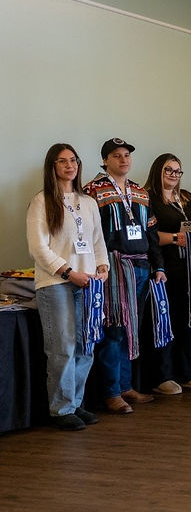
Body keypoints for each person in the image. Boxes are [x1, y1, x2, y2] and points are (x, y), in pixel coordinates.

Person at [27, 143, 109, 430]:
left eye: (73, 160)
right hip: (56, 283)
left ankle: (75, 403)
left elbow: (98, 241)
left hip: (88, 284)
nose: (69, 165)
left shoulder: (87, 202)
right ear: (53, 167)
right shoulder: (42, 201)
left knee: (86, 344)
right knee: (62, 346)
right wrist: (69, 272)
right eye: (62, 161)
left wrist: (103, 266)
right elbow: (38, 247)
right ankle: (61, 410)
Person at [83, 138, 162, 414]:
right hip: (113, 266)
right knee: (114, 328)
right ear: (105, 160)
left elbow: (151, 232)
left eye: (127, 155)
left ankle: (127, 385)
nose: (124, 160)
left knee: (131, 328)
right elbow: (90, 234)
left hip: (140, 266)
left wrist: (159, 266)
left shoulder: (140, 192)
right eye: (117, 155)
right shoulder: (93, 190)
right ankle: (111, 391)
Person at [144, 153, 191, 395]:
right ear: (157, 171)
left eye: (177, 171)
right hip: (165, 269)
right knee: (166, 322)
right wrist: (173, 238)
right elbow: (147, 234)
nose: (173, 175)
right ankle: (164, 375)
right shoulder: (149, 198)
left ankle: (186, 370)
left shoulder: (187, 197)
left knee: (190, 321)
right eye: (168, 170)